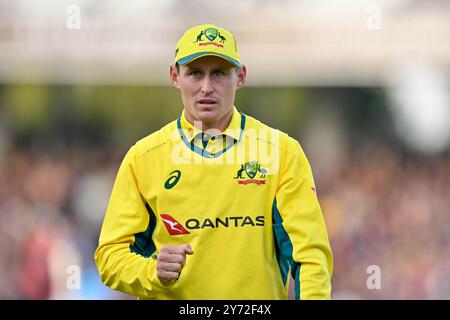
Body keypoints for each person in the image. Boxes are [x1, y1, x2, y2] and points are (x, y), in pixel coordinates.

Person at [94, 24, 333, 300]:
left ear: (240, 76)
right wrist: (152, 271)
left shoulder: (282, 153)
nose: (206, 87)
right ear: (175, 76)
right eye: (195, 73)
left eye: (219, 73)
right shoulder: (143, 158)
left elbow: (311, 258)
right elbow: (110, 257)